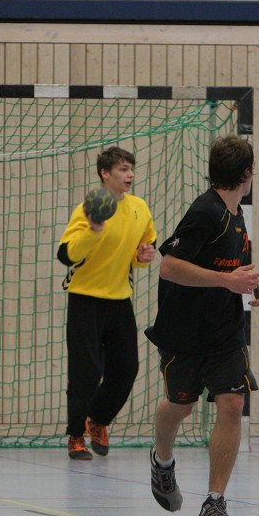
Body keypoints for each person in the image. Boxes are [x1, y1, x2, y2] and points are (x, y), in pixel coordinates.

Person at [145, 135, 259, 516]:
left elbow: (238, 269)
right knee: (181, 406)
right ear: (247, 173)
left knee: (232, 403)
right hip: (184, 331)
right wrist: (226, 281)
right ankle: (162, 459)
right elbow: (170, 267)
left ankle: (214, 503)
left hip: (224, 332)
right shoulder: (206, 211)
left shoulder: (236, 215)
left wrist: (252, 283)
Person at [57, 146, 157, 460]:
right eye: (122, 170)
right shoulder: (89, 208)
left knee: (127, 368)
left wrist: (143, 257)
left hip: (119, 299)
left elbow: (146, 245)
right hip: (85, 298)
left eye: (131, 169)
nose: (129, 175)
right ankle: (76, 435)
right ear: (105, 173)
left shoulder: (139, 207)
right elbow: (66, 255)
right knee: (86, 373)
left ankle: (97, 420)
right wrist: (95, 229)